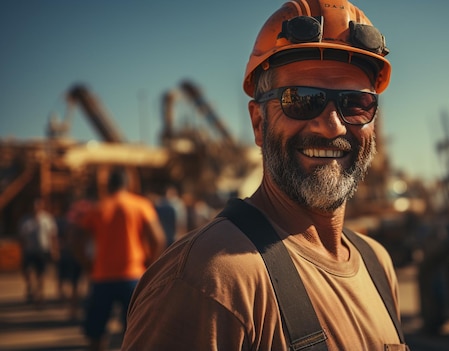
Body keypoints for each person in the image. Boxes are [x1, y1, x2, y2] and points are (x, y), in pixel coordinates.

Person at [122, 0, 407, 350]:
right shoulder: (211, 280)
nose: (332, 125)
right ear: (259, 122)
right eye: (302, 99)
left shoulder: (377, 265)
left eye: (355, 103)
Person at [74, 168, 166, 351]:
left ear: (109, 185)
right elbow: (158, 239)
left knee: (96, 333)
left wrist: (88, 264)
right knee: (135, 332)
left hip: (102, 277)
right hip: (133, 276)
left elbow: (76, 240)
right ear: (128, 184)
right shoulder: (140, 205)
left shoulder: (98, 207)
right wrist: (149, 265)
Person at [18, 198, 59, 307]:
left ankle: (40, 296)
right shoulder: (25, 220)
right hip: (29, 250)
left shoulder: (47, 219)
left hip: (42, 250)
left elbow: (52, 235)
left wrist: (54, 250)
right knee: (27, 271)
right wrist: (22, 250)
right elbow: (22, 237)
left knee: (40, 273)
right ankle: (30, 287)